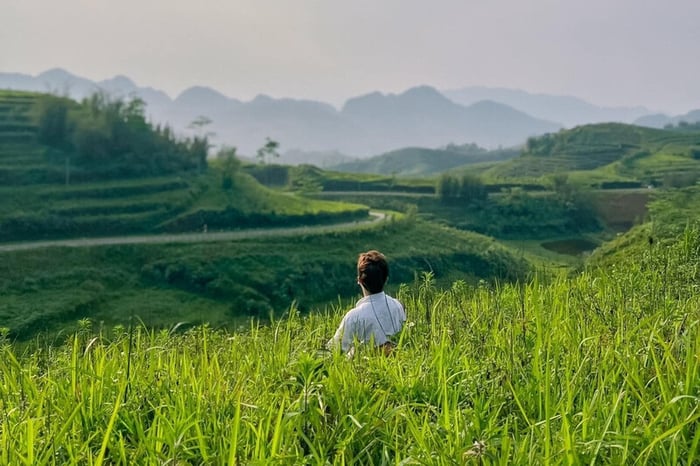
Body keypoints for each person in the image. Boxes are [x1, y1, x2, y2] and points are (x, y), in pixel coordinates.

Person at [327, 250, 406, 356]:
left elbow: (334, 349)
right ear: (386, 279)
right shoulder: (398, 306)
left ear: (359, 280)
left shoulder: (354, 317)